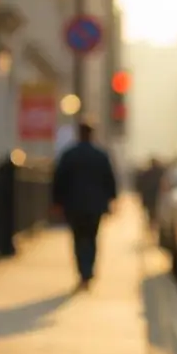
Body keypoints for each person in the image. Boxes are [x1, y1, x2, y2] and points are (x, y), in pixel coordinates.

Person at [51, 122, 117, 290]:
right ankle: (89, 271)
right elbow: (110, 179)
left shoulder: (69, 154)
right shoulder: (100, 155)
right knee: (92, 237)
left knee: (78, 238)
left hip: (73, 205)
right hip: (95, 205)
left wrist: (57, 202)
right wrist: (111, 200)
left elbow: (59, 180)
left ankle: (83, 271)